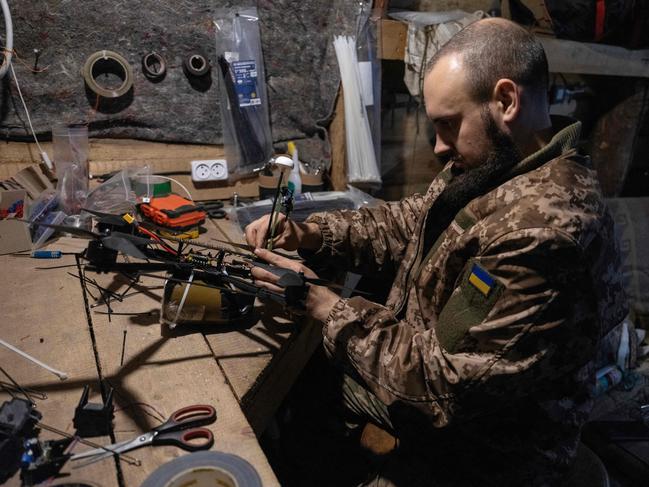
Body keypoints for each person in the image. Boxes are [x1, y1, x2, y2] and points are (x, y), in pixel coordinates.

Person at [245, 18, 628, 486]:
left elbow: (443, 387)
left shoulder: (543, 233)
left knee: (301, 395)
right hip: (421, 382)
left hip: (482, 454)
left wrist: (325, 304)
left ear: (506, 100)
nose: (439, 146)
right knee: (310, 385)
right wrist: (309, 234)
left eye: (449, 125)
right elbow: (409, 222)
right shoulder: (499, 163)